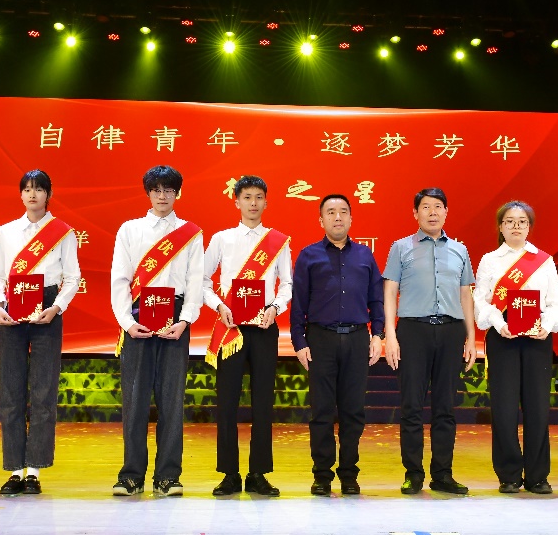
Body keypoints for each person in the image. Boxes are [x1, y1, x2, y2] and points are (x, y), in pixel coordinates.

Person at [110, 165, 204, 497]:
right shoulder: (130, 229)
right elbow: (120, 278)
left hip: (175, 320)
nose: (162, 196)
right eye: (156, 190)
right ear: (148, 193)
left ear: (178, 193)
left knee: (172, 401)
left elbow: (195, 280)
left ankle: (168, 476)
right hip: (138, 318)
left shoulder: (191, 233)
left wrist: (185, 320)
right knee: (134, 401)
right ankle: (131, 475)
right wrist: (126, 321)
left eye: (169, 190)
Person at [0, 169, 80, 496]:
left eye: (38, 189)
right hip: (12, 309)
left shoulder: (63, 232)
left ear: (48, 194)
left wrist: (57, 307)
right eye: (27, 189)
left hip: (47, 308)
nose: (32, 194)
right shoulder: (6, 232)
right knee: (11, 392)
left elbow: (73, 277)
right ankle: (14, 469)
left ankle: (34, 471)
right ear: (20, 194)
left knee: (43, 392)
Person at [383, 187, 478, 496]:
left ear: (446, 212)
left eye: (438, 206)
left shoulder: (460, 250)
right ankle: (413, 473)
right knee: (411, 405)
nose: (432, 212)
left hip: (451, 332)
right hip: (413, 331)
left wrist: (472, 338)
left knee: (445, 407)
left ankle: (442, 474)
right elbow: (390, 292)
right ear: (415, 213)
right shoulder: (400, 247)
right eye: (426, 207)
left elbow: (466, 295)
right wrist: (390, 335)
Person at [203, 175, 292, 497]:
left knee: (263, 404)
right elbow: (202, 281)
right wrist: (219, 306)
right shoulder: (222, 239)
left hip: (264, 329)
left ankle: (258, 473)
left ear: (266, 202)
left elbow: (288, 284)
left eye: (258, 197)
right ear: (236, 201)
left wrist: (275, 307)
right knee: (227, 403)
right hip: (231, 330)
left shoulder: (278, 241)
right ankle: (229, 474)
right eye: (247, 197)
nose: (253, 203)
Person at [290, 194, 384, 496]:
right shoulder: (308, 256)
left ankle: (349, 474)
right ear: (321, 220)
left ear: (351, 218)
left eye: (343, 211)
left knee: (353, 411)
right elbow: (298, 303)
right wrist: (299, 341)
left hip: (357, 338)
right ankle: (322, 475)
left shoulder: (365, 255)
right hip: (320, 340)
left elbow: (376, 299)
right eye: (331, 212)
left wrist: (377, 334)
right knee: (321, 411)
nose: (338, 217)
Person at [475, 200, 558, 495]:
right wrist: (498, 323)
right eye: (510, 221)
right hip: (503, 339)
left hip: (537, 340)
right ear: (500, 227)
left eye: (522, 221)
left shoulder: (544, 260)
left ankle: (538, 475)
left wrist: (547, 325)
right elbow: (481, 301)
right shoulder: (490, 260)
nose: (516, 226)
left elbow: (556, 303)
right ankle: (509, 474)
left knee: (537, 408)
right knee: (503, 409)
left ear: (529, 226)